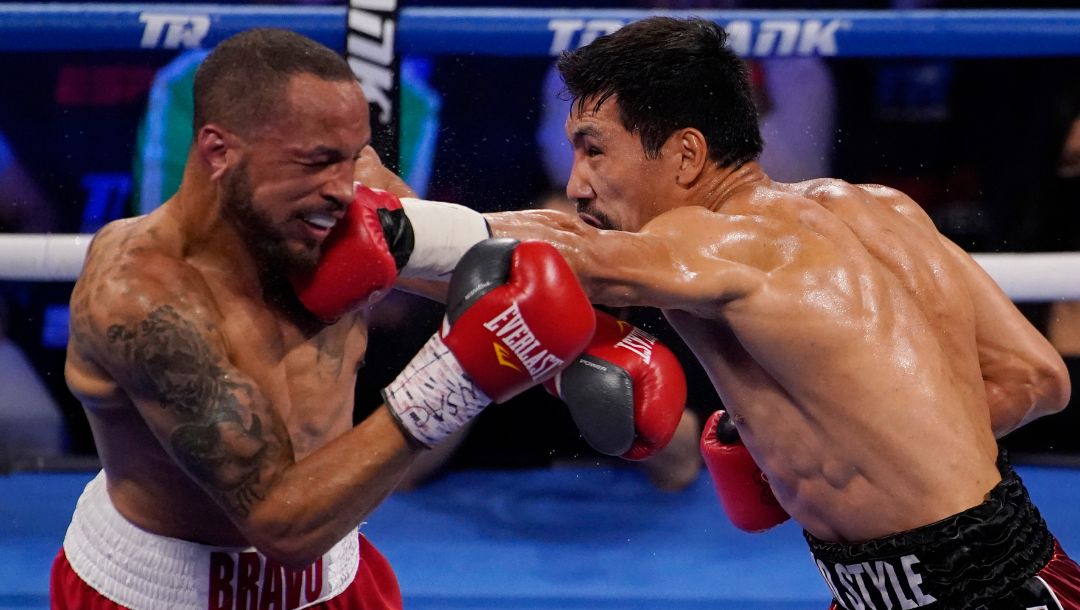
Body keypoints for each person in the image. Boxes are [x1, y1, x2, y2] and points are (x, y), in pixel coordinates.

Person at [53, 28, 685, 610]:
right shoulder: (140, 296)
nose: (345, 186)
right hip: (168, 589)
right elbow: (279, 520)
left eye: (352, 156)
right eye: (317, 160)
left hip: (336, 572)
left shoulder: (336, 199)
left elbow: (484, 262)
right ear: (220, 151)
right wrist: (462, 375)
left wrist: (585, 338)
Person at [475, 17, 1079, 609]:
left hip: (982, 594)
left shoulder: (714, 237)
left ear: (686, 155)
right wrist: (868, 440)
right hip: (1015, 562)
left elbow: (570, 256)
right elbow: (1036, 379)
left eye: (595, 151)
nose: (578, 183)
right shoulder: (880, 208)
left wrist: (399, 227)